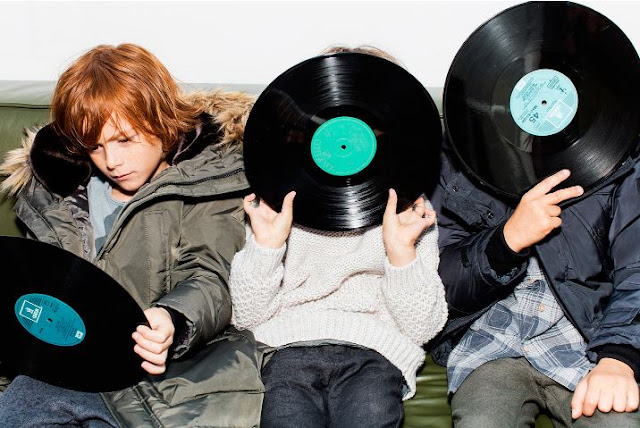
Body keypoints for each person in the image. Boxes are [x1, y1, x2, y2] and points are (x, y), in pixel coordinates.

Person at [0, 43, 263, 427]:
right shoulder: (59, 196)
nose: (112, 161)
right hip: (62, 366)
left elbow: (211, 274)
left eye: (124, 139)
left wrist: (174, 318)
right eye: (95, 146)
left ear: (162, 121)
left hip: (166, 372)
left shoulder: (207, 184)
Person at [228, 46, 448, 428]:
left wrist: (401, 253)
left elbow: (423, 328)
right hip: (285, 350)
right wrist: (266, 247)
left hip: (374, 353)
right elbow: (246, 317)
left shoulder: (411, 211)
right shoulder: (276, 204)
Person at [429, 138, 640, 427]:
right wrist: (505, 242)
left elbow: (635, 268)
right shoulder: (450, 159)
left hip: (587, 343)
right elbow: (437, 287)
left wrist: (619, 358)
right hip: (489, 343)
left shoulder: (622, 150)